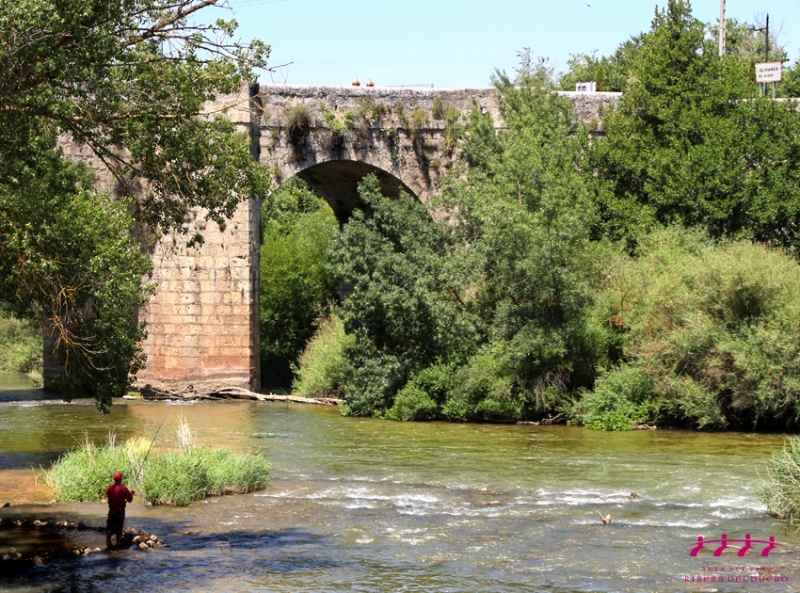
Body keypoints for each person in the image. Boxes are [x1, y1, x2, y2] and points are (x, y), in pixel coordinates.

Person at [105, 471, 134, 548]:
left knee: (109, 526)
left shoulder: (109, 488)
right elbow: (130, 500)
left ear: (114, 479)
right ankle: (118, 541)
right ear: (121, 479)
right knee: (119, 526)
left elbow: (107, 497)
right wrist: (131, 494)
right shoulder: (123, 488)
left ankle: (108, 541)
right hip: (120, 511)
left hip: (111, 511)